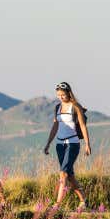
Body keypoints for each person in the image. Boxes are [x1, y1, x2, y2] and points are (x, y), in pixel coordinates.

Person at [42, 81, 90, 209]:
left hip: (72, 144)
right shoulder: (57, 108)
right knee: (69, 175)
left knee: (63, 174)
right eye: (58, 95)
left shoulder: (75, 106)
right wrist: (48, 143)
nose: (60, 97)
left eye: (63, 95)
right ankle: (83, 200)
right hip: (60, 145)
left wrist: (87, 144)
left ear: (68, 93)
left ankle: (57, 205)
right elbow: (55, 126)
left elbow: (83, 126)